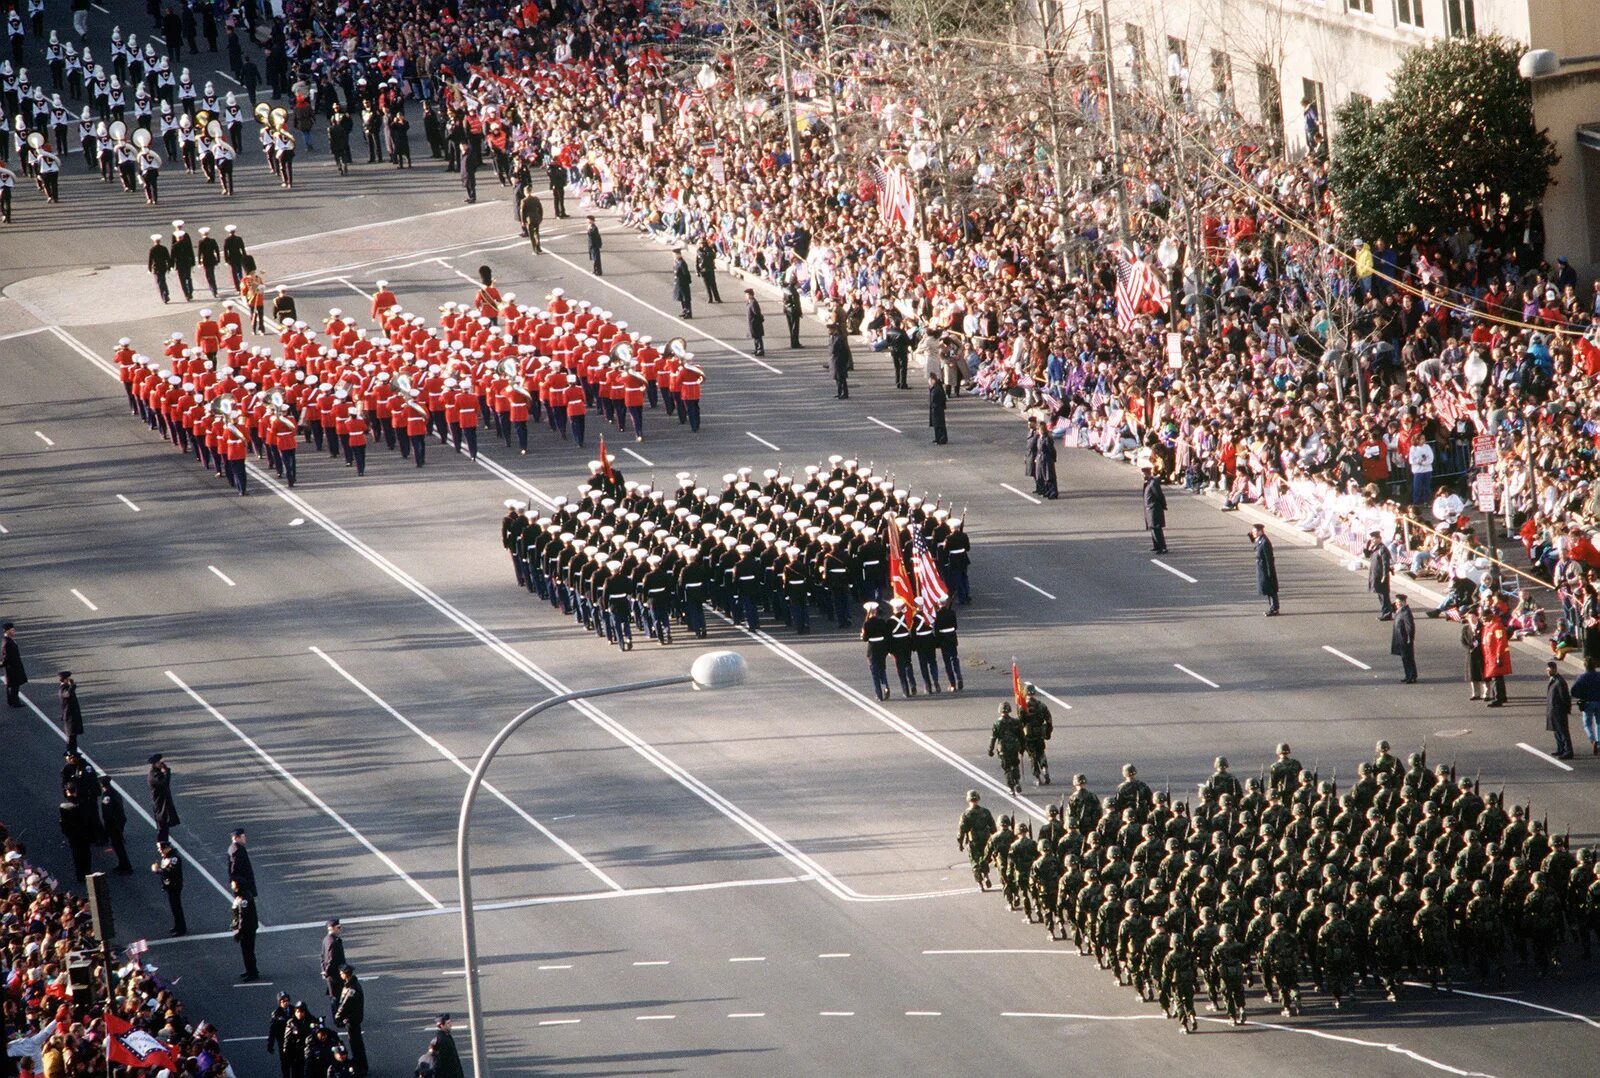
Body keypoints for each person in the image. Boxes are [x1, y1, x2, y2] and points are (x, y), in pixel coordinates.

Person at [957, 790, 996, 889]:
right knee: (985, 858)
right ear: (978, 799)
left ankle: (980, 883)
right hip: (985, 839)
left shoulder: (965, 815)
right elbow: (993, 827)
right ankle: (986, 875)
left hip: (973, 840)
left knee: (974, 862)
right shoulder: (985, 812)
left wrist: (960, 843)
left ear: (968, 800)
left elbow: (961, 831)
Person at [334, 965, 367, 1076]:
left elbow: (344, 1005)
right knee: (357, 1043)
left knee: (355, 1044)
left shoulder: (351, 989)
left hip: (351, 1019)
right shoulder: (352, 985)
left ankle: (360, 1067)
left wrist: (337, 1017)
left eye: (341, 973)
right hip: (354, 1018)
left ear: (345, 974)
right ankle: (361, 1065)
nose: (340, 974)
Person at [97, 773, 133, 873]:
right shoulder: (114, 792)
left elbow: (108, 813)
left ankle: (125, 866)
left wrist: (107, 827)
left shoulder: (107, 796)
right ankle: (122, 864)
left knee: (118, 846)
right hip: (118, 822)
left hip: (113, 824)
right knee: (118, 845)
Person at [152, 839, 186, 935]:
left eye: (160, 848)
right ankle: (177, 925)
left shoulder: (174, 858)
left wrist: (158, 870)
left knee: (176, 907)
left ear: (166, 848)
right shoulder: (166, 857)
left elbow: (171, 871)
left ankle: (181, 928)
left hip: (175, 885)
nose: (159, 850)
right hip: (169, 886)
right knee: (173, 907)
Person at [231, 878, 260, 981]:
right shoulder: (242, 896)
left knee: (248, 950)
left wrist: (239, 931)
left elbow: (243, 916)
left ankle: (252, 972)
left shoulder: (244, 899)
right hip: (247, 928)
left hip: (248, 929)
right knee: (246, 950)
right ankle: (250, 969)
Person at [147, 752, 180, 841]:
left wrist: (165, 770)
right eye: (159, 762)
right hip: (159, 804)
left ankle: (165, 844)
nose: (161, 764)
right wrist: (166, 772)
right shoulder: (154, 775)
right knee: (162, 827)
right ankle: (162, 846)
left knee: (165, 825)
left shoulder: (157, 772)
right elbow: (164, 783)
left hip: (163, 803)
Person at [1545, 659, 1575, 759]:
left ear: (1554, 669)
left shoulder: (1560, 682)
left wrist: (1566, 709)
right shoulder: (1553, 680)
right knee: (1556, 731)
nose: (1547, 671)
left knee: (1563, 731)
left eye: (1549, 669)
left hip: (1559, 711)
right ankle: (1560, 748)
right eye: (1547, 669)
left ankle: (1568, 751)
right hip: (1553, 711)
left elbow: (1565, 697)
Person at [1570, 658, 1600, 755]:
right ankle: (1599, 742)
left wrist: (1581, 696)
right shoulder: (1599, 676)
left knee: (1587, 723)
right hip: (1598, 701)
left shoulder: (1582, 677)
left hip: (1587, 702)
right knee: (1599, 723)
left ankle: (1592, 740)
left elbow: (1574, 691)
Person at [1482, 609, 1511, 706]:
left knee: (1496, 677)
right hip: (1490, 655)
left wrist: (1499, 655)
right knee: (1498, 677)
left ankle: (1498, 698)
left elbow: (1501, 642)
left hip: (1495, 656)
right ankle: (1502, 696)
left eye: (1484, 617)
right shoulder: (1488, 626)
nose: (1483, 619)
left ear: (1490, 615)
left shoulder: (1497, 626)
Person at [1250, 524, 1279, 615]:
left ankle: (1274, 608)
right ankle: (1272, 606)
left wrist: (1270, 572)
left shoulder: (1265, 542)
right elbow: (1254, 541)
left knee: (1270, 589)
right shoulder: (1260, 540)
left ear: (1260, 531)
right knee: (1266, 589)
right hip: (1261, 568)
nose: (1253, 533)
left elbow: (1269, 559)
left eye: (1255, 531)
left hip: (1266, 569)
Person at [1366, 530, 1394, 619]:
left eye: (1374, 539)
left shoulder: (1382, 549)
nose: (1372, 540)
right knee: (1380, 595)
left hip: (1380, 575)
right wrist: (1368, 547)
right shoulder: (1375, 548)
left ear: (1379, 539)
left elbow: (1386, 563)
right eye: (1372, 539)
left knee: (1384, 595)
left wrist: (1384, 576)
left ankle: (1387, 613)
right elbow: (1367, 555)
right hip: (1375, 575)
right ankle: (1386, 611)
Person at [1391, 593, 1418, 683]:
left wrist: (1410, 638)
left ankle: (1411, 676)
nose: (1396, 604)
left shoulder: (1405, 612)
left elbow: (1410, 626)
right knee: (1405, 658)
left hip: (1405, 639)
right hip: (1401, 639)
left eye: (1398, 602)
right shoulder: (1401, 610)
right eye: (1396, 602)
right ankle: (1408, 675)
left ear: (1403, 602)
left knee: (1408, 658)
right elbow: (1392, 608)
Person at [1143, 467, 1167, 553]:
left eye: (1143, 473)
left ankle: (1162, 547)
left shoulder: (1153, 483)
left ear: (1147, 473)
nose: (1142, 476)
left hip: (1154, 508)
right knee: (1152, 528)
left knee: (1156, 528)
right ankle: (1156, 545)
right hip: (1149, 508)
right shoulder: (1148, 483)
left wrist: (1163, 505)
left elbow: (1159, 495)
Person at [322, 918, 346, 1002]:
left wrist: (324, 970)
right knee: (337, 999)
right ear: (331, 928)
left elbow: (322, 956)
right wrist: (327, 972)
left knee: (335, 998)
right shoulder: (332, 941)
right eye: (338, 927)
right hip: (335, 976)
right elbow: (330, 959)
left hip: (332, 976)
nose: (340, 929)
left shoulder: (326, 939)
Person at [228, 826, 257, 897]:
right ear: (236, 838)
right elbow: (233, 869)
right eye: (243, 836)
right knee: (245, 906)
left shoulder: (236, 848)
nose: (245, 838)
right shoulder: (237, 850)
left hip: (243, 886)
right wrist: (241, 883)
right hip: (242, 888)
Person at [58, 670, 82, 749]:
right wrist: (72, 686)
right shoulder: (63, 689)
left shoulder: (66, 688)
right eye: (68, 678)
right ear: (64, 679)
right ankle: (71, 753)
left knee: (73, 736)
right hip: (69, 716)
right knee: (71, 736)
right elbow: (67, 694)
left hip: (72, 715)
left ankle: (73, 751)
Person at [1, 622, 23, 706]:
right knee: (13, 685)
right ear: (7, 631)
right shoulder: (7, 642)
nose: (14, 632)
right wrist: (3, 664)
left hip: (13, 667)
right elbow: (6, 657)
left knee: (14, 685)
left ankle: (11, 701)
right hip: (11, 668)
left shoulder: (9, 640)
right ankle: (14, 702)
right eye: (12, 630)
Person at [146, 233, 172, 303]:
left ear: (154, 241)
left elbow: (150, 260)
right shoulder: (164, 248)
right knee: (163, 280)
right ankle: (166, 293)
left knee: (159, 282)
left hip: (156, 268)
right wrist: (169, 267)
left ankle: (164, 296)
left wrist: (149, 269)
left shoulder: (152, 250)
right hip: (163, 267)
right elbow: (168, 258)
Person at [696, 236, 721, 303]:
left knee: (713, 285)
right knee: (707, 285)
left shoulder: (709, 249)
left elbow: (713, 256)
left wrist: (708, 249)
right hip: (703, 270)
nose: (701, 245)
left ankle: (717, 298)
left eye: (703, 243)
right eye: (701, 243)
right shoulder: (699, 251)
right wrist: (697, 271)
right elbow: (697, 261)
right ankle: (710, 298)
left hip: (710, 269)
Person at [830, 323, 852, 399]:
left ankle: (844, 393)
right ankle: (839, 392)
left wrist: (845, 361)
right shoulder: (833, 337)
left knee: (841, 378)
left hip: (839, 361)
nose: (829, 331)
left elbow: (844, 351)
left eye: (830, 329)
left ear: (835, 330)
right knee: (837, 378)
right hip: (835, 361)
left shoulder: (839, 338)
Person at [672, 249, 693, 317]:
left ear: (679, 255)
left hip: (683, 283)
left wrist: (687, 282)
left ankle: (688, 312)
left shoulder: (682, 263)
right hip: (679, 283)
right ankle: (684, 311)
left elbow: (686, 273)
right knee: (681, 298)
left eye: (675, 255)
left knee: (685, 298)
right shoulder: (677, 262)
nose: (674, 256)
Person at [928, 374, 948, 445]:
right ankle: (938, 438)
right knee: (936, 425)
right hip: (935, 409)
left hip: (937, 409)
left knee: (939, 424)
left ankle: (941, 438)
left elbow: (938, 399)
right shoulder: (935, 388)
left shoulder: (936, 389)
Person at [783, 280, 803, 348]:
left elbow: (784, 300)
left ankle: (792, 342)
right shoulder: (794, 292)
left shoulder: (785, 289)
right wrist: (800, 312)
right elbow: (797, 303)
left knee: (791, 327)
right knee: (795, 327)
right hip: (794, 311)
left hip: (787, 310)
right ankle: (795, 343)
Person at [745, 288, 765, 355]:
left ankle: (760, 349)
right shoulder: (749, 302)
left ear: (751, 295)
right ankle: (756, 348)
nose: (746, 296)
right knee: (755, 336)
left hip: (755, 323)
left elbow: (757, 313)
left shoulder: (753, 303)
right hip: (752, 323)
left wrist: (759, 320)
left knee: (758, 336)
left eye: (747, 295)